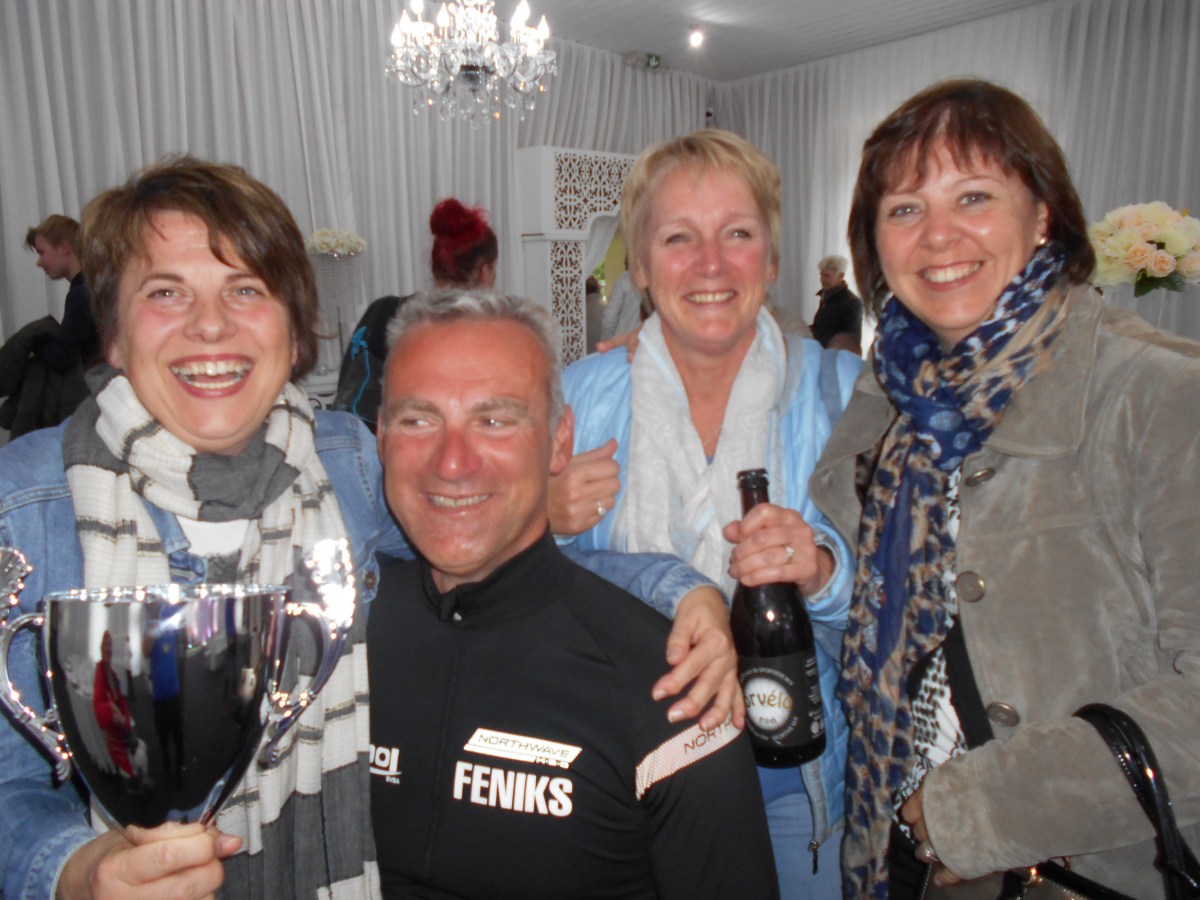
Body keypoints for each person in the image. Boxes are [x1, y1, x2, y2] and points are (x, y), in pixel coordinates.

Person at [0, 157, 720, 900]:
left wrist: (679, 594)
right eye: (165, 292)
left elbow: (494, 548)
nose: (210, 324)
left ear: (292, 330)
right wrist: (71, 870)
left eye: (245, 289)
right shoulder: (26, 508)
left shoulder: (344, 461)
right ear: (114, 336)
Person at [810, 78, 1200, 898]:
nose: (938, 236)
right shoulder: (889, 400)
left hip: (1085, 870)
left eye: (974, 196)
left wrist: (983, 809)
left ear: (1044, 213)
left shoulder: (1158, 397)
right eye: (905, 208)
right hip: (897, 853)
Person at [369, 289, 779, 899]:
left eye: (494, 420)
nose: (452, 463)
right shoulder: (327, 648)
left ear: (560, 441)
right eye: (418, 419)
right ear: (380, 435)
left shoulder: (673, 687)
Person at [549, 129, 862, 898]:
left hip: (792, 778)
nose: (712, 264)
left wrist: (824, 574)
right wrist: (542, 524)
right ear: (642, 266)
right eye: (678, 239)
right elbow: (501, 583)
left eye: (738, 234)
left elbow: (906, 605)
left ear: (773, 259)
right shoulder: (581, 394)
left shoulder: (846, 395)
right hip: (618, 765)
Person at [334, 198, 498, 431]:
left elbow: (347, 385)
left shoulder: (384, 311)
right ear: (485, 271)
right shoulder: (488, 335)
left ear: (434, 265)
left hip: (370, 442)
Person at [0, 216, 102, 437]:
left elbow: (62, 355)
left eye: (41, 252)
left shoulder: (82, 293)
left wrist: (36, 343)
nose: (39, 262)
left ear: (64, 248)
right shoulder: (91, 287)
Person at [810, 254, 862, 353]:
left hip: (835, 358)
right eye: (821, 275)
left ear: (841, 276)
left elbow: (852, 342)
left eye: (826, 276)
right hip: (821, 354)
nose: (822, 279)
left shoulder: (852, 303)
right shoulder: (826, 297)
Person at [600, 263, 643, 343]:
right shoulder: (657, 278)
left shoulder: (624, 280)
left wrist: (607, 342)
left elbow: (609, 319)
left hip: (623, 342)